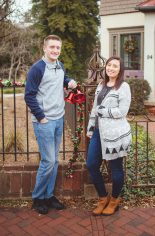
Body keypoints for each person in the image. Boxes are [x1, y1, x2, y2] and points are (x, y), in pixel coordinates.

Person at [24, 34, 77, 215]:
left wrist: (68, 81)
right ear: (45, 48)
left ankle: (48, 196)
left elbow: (61, 77)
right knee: (48, 161)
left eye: (58, 48)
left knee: (54, 162)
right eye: (52, 47)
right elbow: (29, 95)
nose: (55, 50)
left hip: (59, 118)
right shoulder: (37, 69)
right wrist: (41, 117)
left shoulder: (59, 65)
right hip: (44, 121)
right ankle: (38, 198)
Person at [86, 56, 132, 216]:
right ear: (105, 67)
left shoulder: (123, 87)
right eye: (109, 65)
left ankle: (114, 200)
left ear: (120, 70)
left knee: (116, 169)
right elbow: (94, 109)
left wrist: (103, 112)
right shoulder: (101, 85)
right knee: (91, 164)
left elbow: (122, 111)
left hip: (115, 135)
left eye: (115, 66)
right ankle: (102, 198)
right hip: (99, 132)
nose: (111, 68)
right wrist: (90, 128)